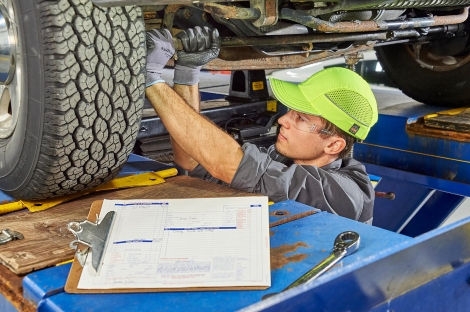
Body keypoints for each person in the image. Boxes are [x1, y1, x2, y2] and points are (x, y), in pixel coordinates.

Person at [145, 27, 379, 224]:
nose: (282, 120)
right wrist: (187, 73)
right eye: (290, 113)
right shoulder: (280, 158)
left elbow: (226, 164)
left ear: (333, 145)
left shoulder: (347, 194)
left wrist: (151, 79)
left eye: (301, 119)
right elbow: (193, 161)